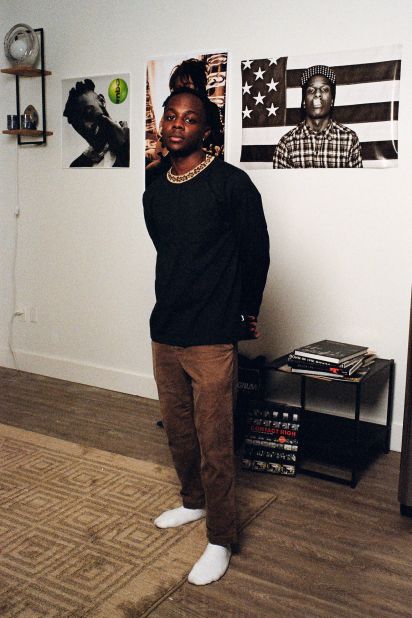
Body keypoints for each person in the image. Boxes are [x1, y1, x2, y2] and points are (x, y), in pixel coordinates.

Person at [143, 87, 269, 585]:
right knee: (178, 430)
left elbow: (255, 251)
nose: (177, 125)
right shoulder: (154, 184)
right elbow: (167, 247)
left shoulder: (232, 184)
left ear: (207, 130)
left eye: (189, 118)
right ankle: (192, 502)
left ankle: (221, 538)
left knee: (216, 441)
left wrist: (246, 311)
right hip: (166, 328)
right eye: (171, 116)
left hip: (213, 334)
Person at [145, 58, 224, 185]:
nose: (181, 93)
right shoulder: (170, 109)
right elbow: (161, 144)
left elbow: (215, 145)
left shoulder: (210, 110)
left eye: (186, 87)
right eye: (177, 89)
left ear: (200, 86)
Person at [273, 65, 362, 168]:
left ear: (332, 100)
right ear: (304, 101)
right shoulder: (286, 144)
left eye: (325, 89)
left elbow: (356, 183)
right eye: (311, 90)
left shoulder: (349, 140)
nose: (318, 94)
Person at [63, 79, 129, 167]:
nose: (87, 126)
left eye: (89, 113)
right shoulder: (78, 165)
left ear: (102, 101)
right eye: (79, 125)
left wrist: (124, 143)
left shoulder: (135, 139)